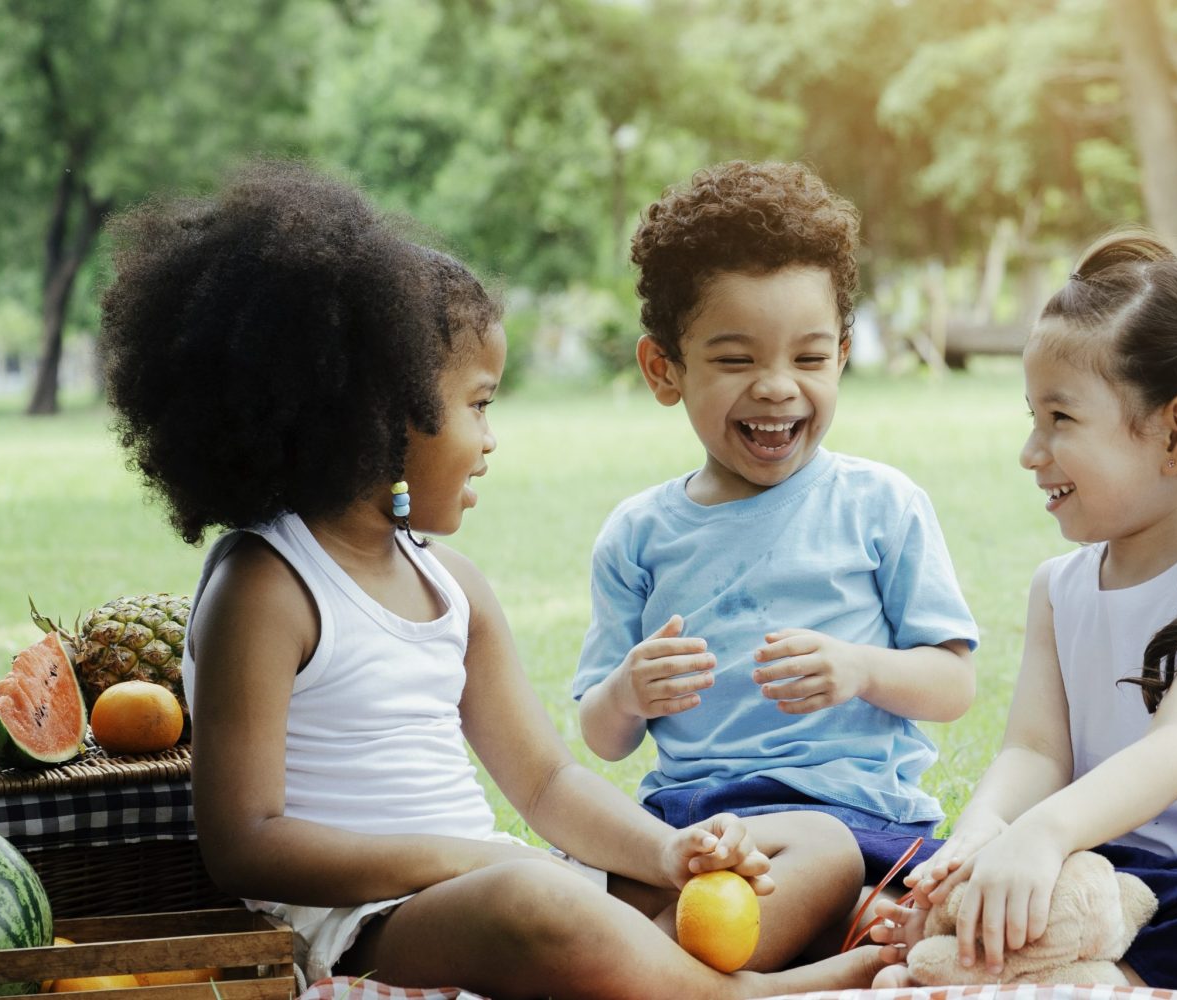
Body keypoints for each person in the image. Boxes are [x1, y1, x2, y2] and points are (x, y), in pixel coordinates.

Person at [97, 161, 882, 998]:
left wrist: (667, 854)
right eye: (479, 405)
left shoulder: (453, 587)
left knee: (822, 846)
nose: (491, 438)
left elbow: (546, 782)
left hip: (499, 886)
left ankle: (647, 979)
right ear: (380, 420)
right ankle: (739, 992)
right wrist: (467, 859)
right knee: (532, 893)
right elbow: (245, 841)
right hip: (373, 924)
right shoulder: (268, 583)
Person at [870, 232, 1177, 996]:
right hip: (1099, 867)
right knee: (914, 863)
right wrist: (984, 836)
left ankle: (1090, 971)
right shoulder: (1057, 588)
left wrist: (1043, 833)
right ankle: (1014, 943)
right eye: (1033, 417)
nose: (1031, 451)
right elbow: (1036, 753)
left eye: (1061, 419)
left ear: (1176, 433)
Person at [573, 160, 980, 889]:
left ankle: (707, 966)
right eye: (735, 359)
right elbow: (603, 738)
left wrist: (861, 669)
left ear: (842, 358)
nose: (777, 384)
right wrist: (627, 693)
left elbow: (952, 685)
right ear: (664, 370)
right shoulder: (639, 535)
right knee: (589, 889)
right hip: (693, 826)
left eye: (811, 357)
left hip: (851, 823)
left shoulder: (879, 505)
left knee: (807, 877)